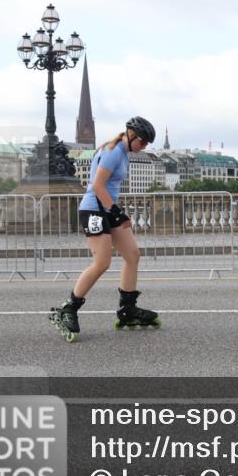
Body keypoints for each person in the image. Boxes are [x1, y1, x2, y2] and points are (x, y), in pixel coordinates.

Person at [52, 116, 159, 335]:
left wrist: (116, 212)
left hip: (107, 208)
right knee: (102, 263)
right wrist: (117, 211)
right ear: (131, 136)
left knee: (133, 255)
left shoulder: (123, 153)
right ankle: (69, 308)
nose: (144, 146)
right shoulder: (113, 152)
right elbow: (98, 185)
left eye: (147, 143)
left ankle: (127, 309)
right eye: (143, 141)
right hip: (94, 209)